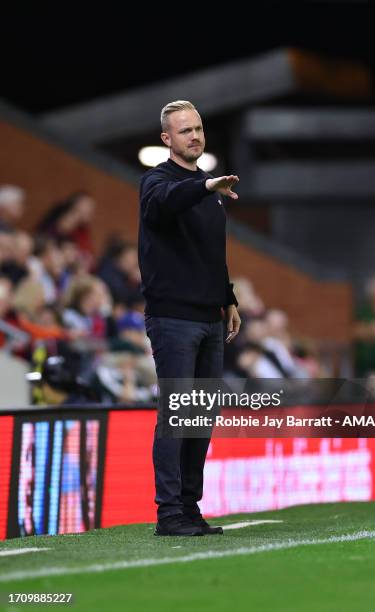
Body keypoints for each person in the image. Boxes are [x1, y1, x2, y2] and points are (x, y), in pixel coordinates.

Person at [139, 100, 241, 536]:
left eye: (198, 129)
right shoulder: (157, 182)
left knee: (199, 418)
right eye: (185, 131)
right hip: (174, 318)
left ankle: (189, 508)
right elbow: (165, 205)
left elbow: (211, 255)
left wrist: (229, 298)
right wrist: (204, 187)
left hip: (210, 317)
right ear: (167, 139)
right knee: (178, 415)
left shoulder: (210, 190)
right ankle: (169, 514)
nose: (195, 137)